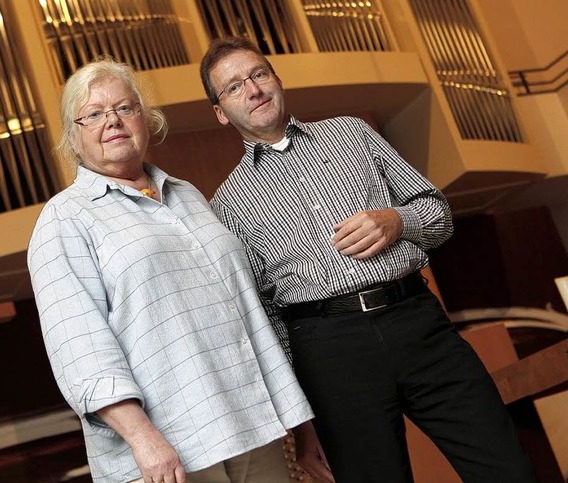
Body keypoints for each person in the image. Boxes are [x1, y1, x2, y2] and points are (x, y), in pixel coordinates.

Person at [199, 36, 538, 482]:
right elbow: (266, 316)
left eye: (259, 74)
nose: (254, 89)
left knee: (507, 469)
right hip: (328, 354)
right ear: (222, 112)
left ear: (277, 79)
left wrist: (399, 221)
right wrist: (302, 424)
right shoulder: (227, 203)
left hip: (419, 325)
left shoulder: (353, 134)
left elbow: (438, 214)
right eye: (235, 86)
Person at [27, 58, 317, 483]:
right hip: (168, 451)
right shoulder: (64, 220)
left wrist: (301, 424)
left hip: (253, 427)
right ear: (73, 137)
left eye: (125, 108)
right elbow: (81, 352)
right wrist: (143, 440)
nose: (113, 121)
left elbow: (250, 313)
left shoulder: (188, 194)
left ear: (146, 120)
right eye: (93, 114)